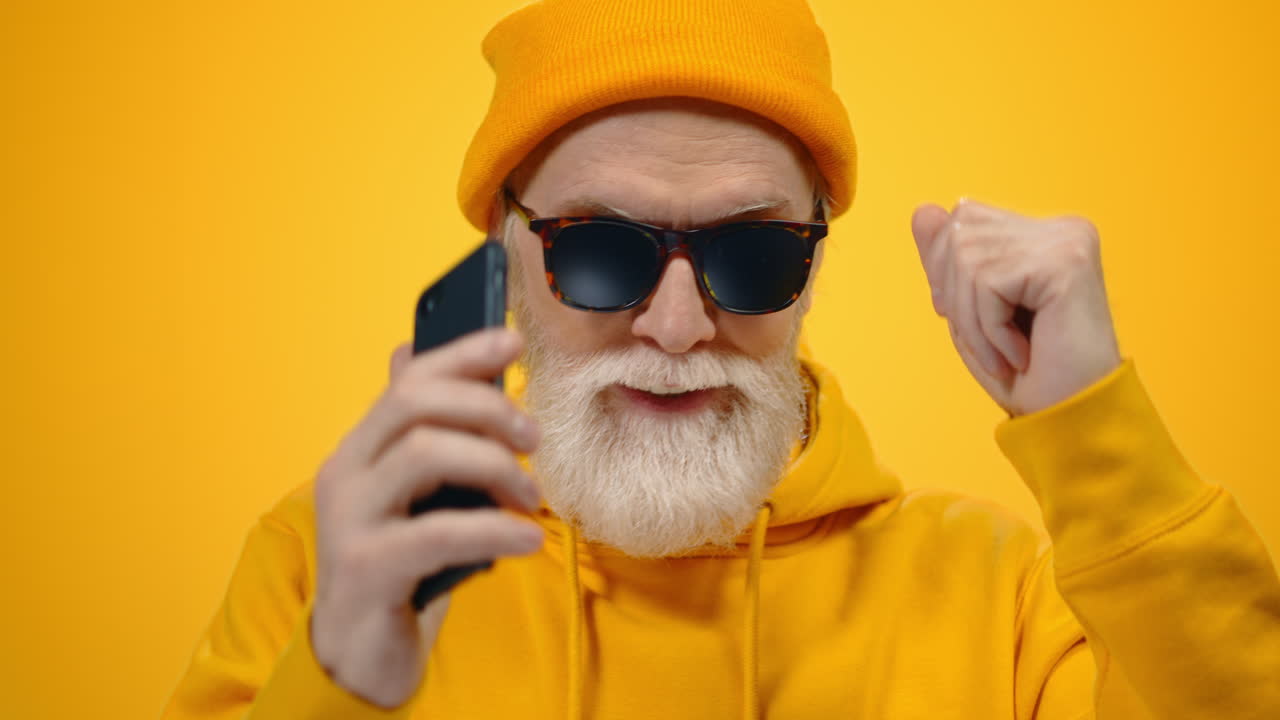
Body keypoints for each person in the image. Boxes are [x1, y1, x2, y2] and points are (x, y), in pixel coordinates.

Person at [162, 1, 1280, 718]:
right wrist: (339, 680)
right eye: (600, 252)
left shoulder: (999, 594)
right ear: (501, 251)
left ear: (813, 260)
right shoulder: (338, 565)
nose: (677, 326)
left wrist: (1096, 434)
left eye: (750, 253)